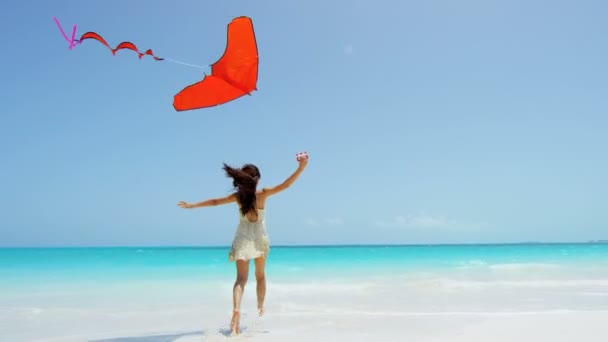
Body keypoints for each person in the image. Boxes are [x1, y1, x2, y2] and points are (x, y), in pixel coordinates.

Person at [177, 155, 308, 335]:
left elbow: (215, 202)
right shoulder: (263, 194)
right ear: (257, 179)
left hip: (243, 237)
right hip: (259, 238)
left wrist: (193, 205)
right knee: (260, 276)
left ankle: (237, 308)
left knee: (241, 279)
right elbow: (285, 185)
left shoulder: (238, 197)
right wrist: (301, 168)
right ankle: (260, 308)